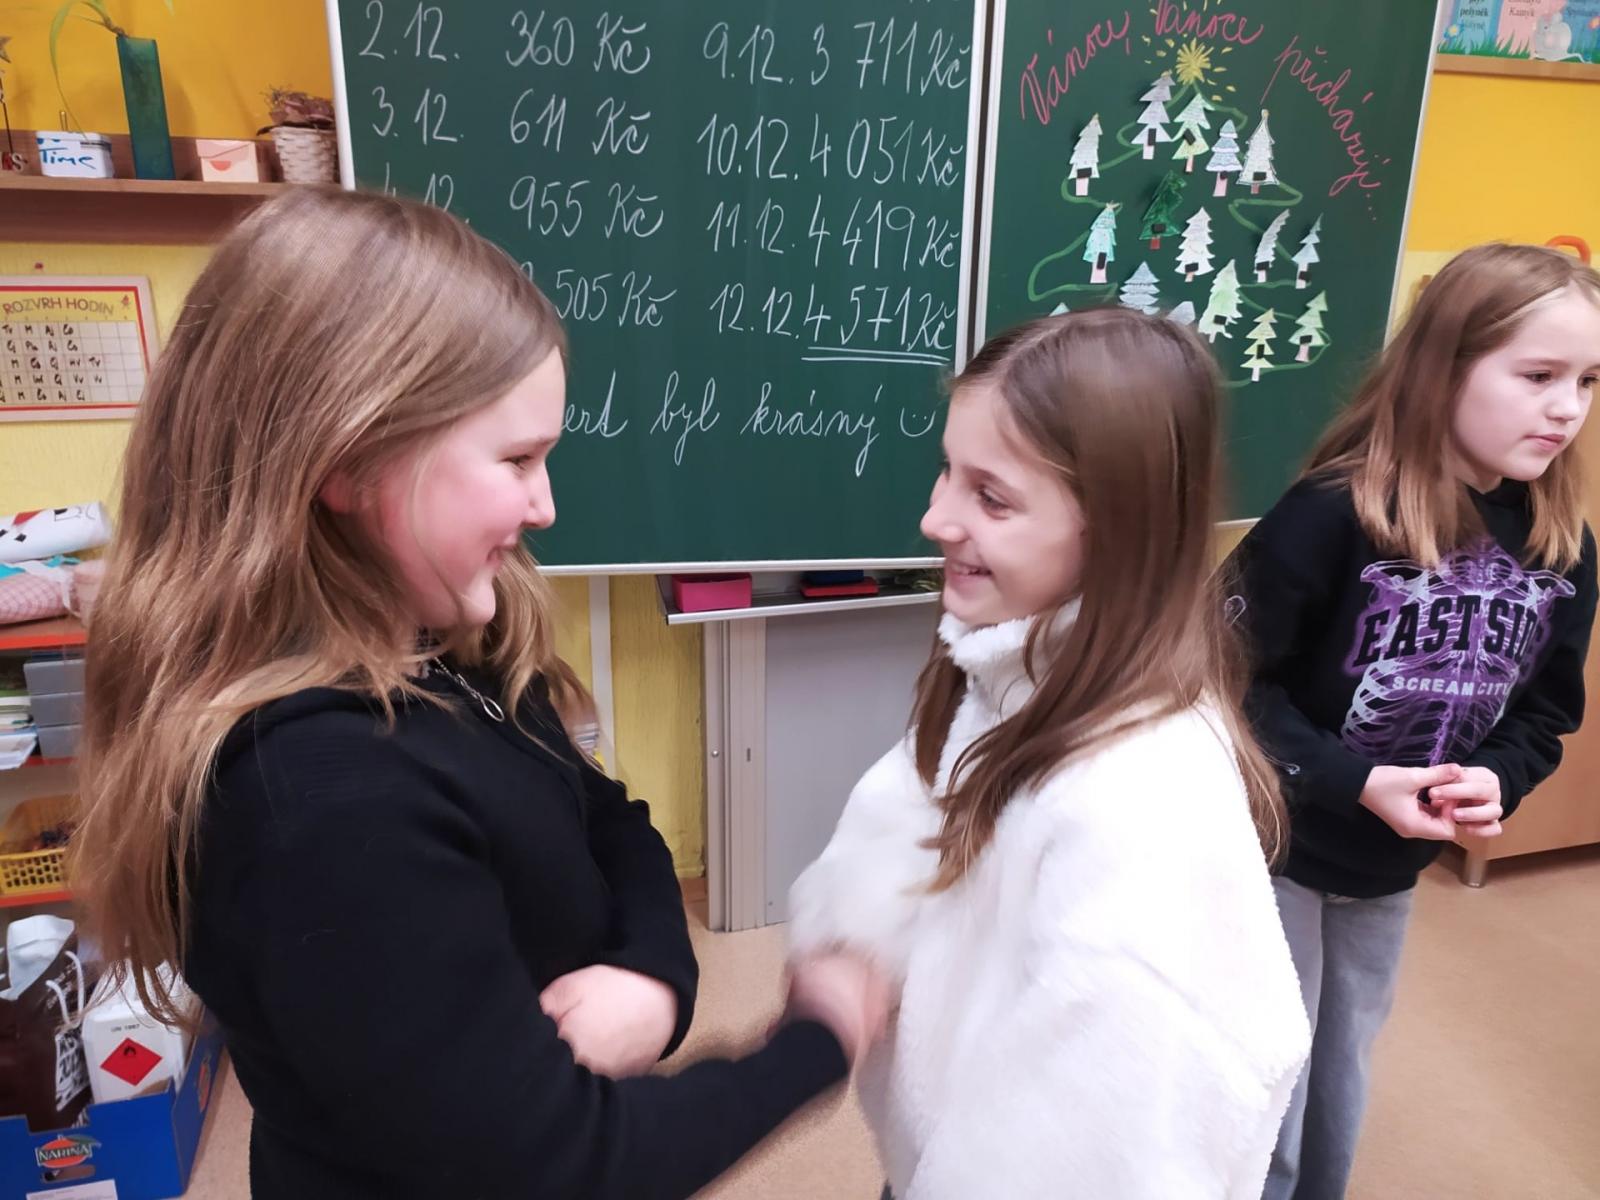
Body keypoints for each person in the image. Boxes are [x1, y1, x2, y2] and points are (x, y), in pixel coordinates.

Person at [69, 187, 886, 1200]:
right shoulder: (319, 798)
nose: (545, 504)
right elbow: (564, 1166)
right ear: (352, 459)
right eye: (516, 460)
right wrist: (815, 1042)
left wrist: (652, 981)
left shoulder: (446, 646)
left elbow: (607, 819)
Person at [788, 309, 1310, 1199]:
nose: (934, 518)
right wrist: (858, 944)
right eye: (947, 472)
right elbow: (916, 822)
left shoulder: (1142, 797)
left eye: (992, 498)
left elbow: (1110, 1137)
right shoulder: (1007, 667)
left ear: (1117, 528)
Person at [1230, 243, 1600, 1200]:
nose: (1568, 409)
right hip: (1274, 851)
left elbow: (1546, 711)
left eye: (1588, 381)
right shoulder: (1330, 513)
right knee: (1263, 1070)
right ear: (1444, 368)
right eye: (1539, 376)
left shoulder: (1564, 544)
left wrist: (1497, 777)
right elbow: (1226, 685)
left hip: (1389, 867)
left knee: (1340, 1071)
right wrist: (1353, 781)